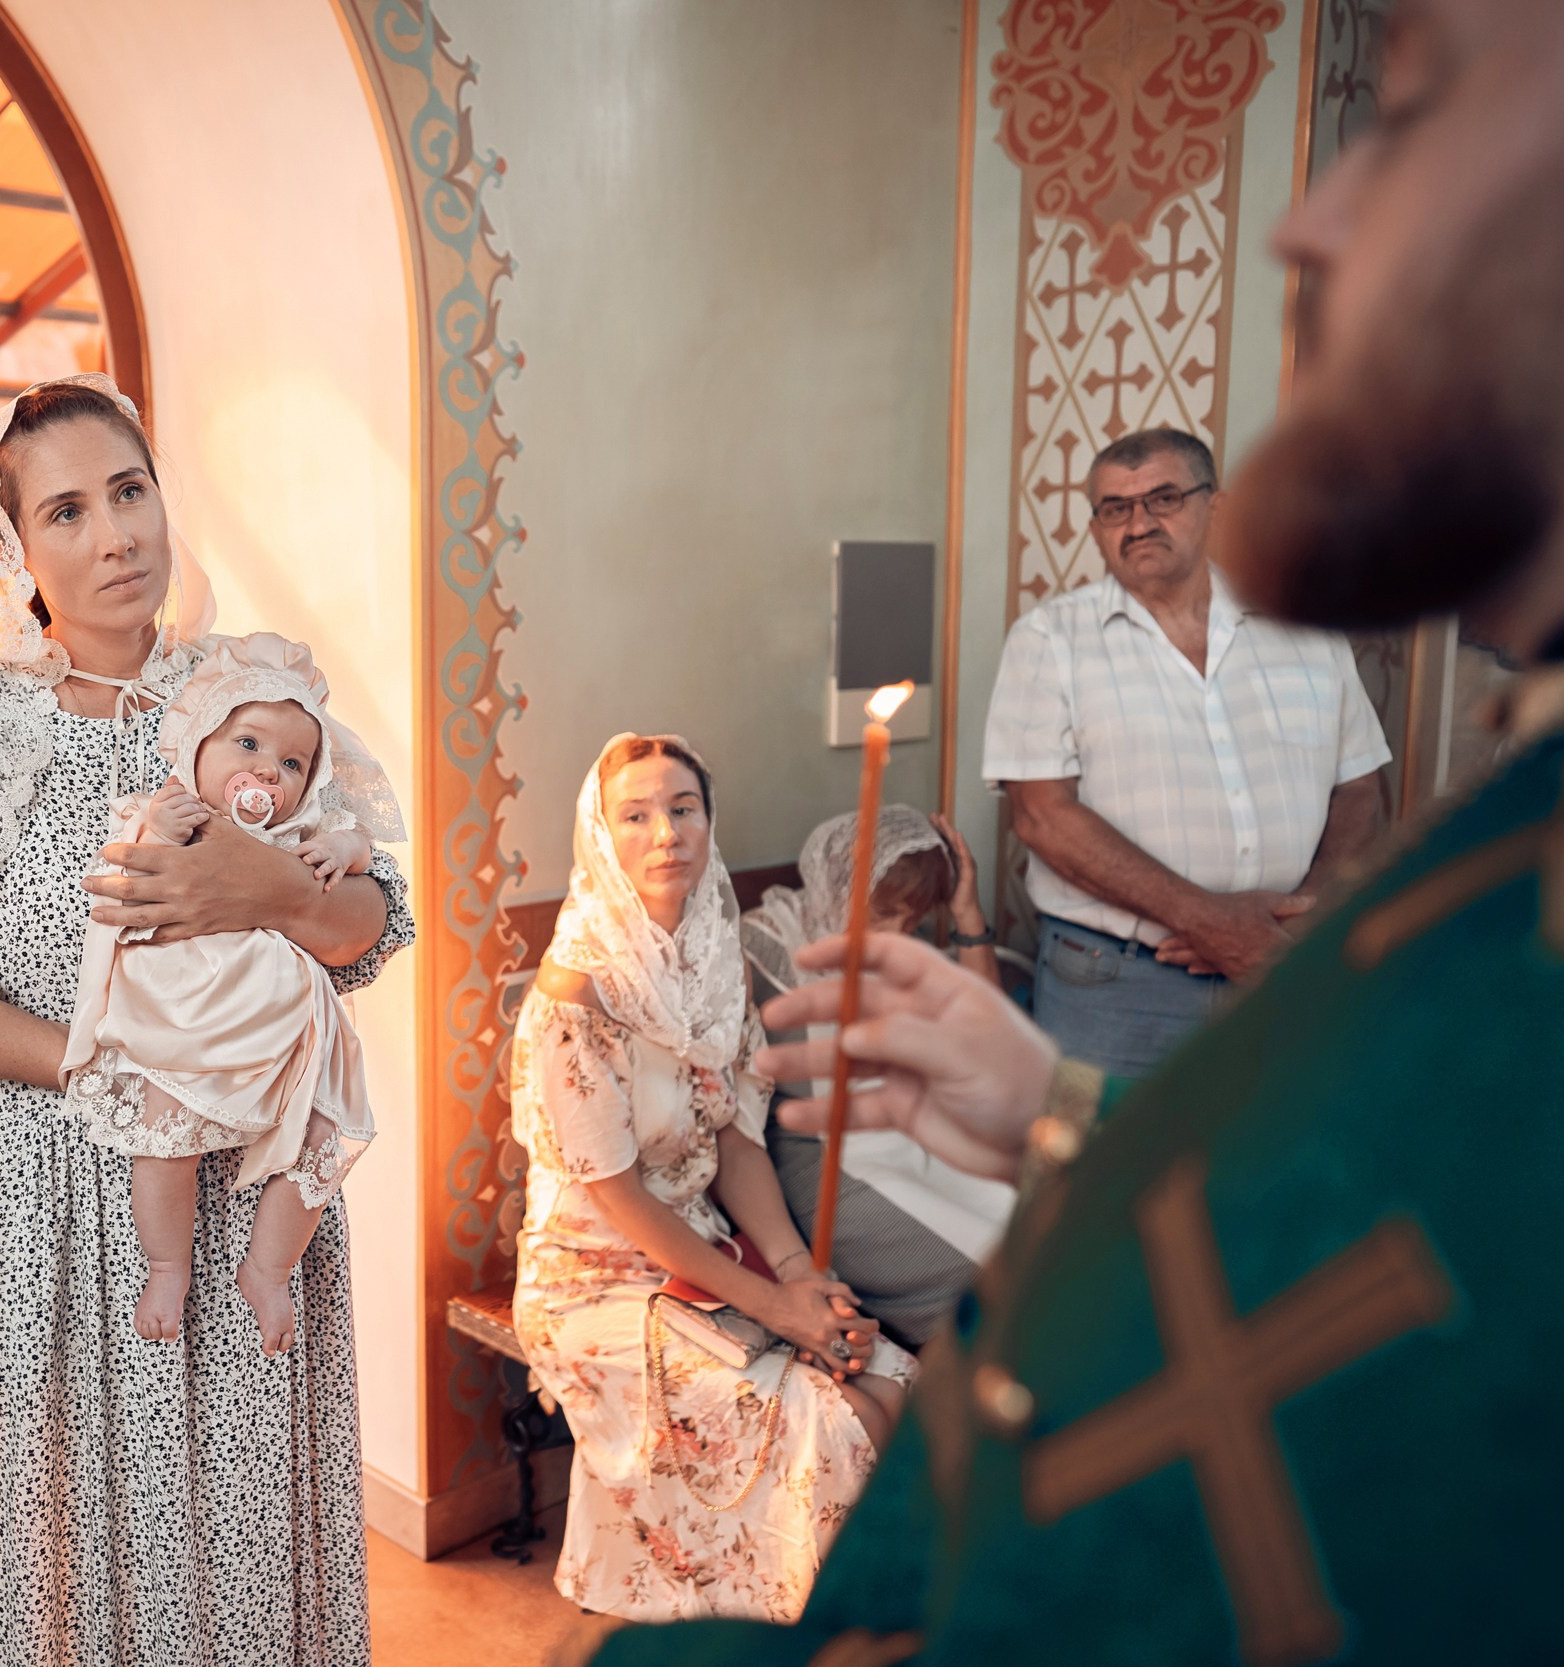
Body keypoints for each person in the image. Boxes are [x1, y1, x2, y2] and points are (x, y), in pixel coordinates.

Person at [595, 1, 1564, 1660]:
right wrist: (1060, 1108)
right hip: (1134, 975)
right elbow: (1309, 1214)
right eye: (1107, 511)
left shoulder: (1431, 823)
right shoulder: (1480, 863)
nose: (1306, 219)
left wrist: (1294, 925)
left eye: (1413, 111)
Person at [0, 375, 412, 1666]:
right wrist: (112, 1059)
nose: (115, 536)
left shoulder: (246, 694)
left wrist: (269, 890)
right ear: (15, 547)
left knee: (235, 1558)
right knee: (55, 1571)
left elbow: (374, 926)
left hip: (241, 1202)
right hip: (40, 1206)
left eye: (129, 491)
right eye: (68, 510)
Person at [510, 733, 913, 1625]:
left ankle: (858, 1621)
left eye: (683, 808)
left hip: (707, 1252)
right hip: (595, 1275)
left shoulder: (714, 959)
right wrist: (775, 1306)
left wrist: (800, 1272)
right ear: (601, 836)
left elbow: (736, 1139)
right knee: (823, 1422)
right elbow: (617, 1198)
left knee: (886, 1377)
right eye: (637, 814)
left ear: (708, 821)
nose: (665, 834)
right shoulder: (574, 998)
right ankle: (779, 1633)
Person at [981, 426, 1391, 1075]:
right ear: (1096, 528)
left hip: (1291, 967)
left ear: (1213, 507)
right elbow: (1042, 818)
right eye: (1115, 507)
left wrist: (1302, 917)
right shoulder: (1048, 640)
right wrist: (1210, 922)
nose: (1138, 522)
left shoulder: (1303, 625)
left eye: (1163, 498)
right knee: (1105, 1172)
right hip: (1115, 986)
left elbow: (1361, 786)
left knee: (1271, 1165)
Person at [59, 631, 403, 1354]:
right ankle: (167, 1264)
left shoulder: (301, 830)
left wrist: (341, 851)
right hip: (194, 1026)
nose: (266, 773)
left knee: (322, 1141)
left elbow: (361, 852)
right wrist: (156, 827)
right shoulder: (168, 812)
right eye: (246, 744)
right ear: (196, 746)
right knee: (165, 1146)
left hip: (288, 1039)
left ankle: (269, 1268)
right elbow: (123, 887)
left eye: (291, 763)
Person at [741, 808, 1014, 1351]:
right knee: (989, 1276)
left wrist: (966, 912)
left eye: (910, 920)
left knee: (1044, 1231)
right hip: (830, 1171)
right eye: (885, 912)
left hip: (913, 1142)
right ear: (840, 882)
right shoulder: (760, 947)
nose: (897, 934)